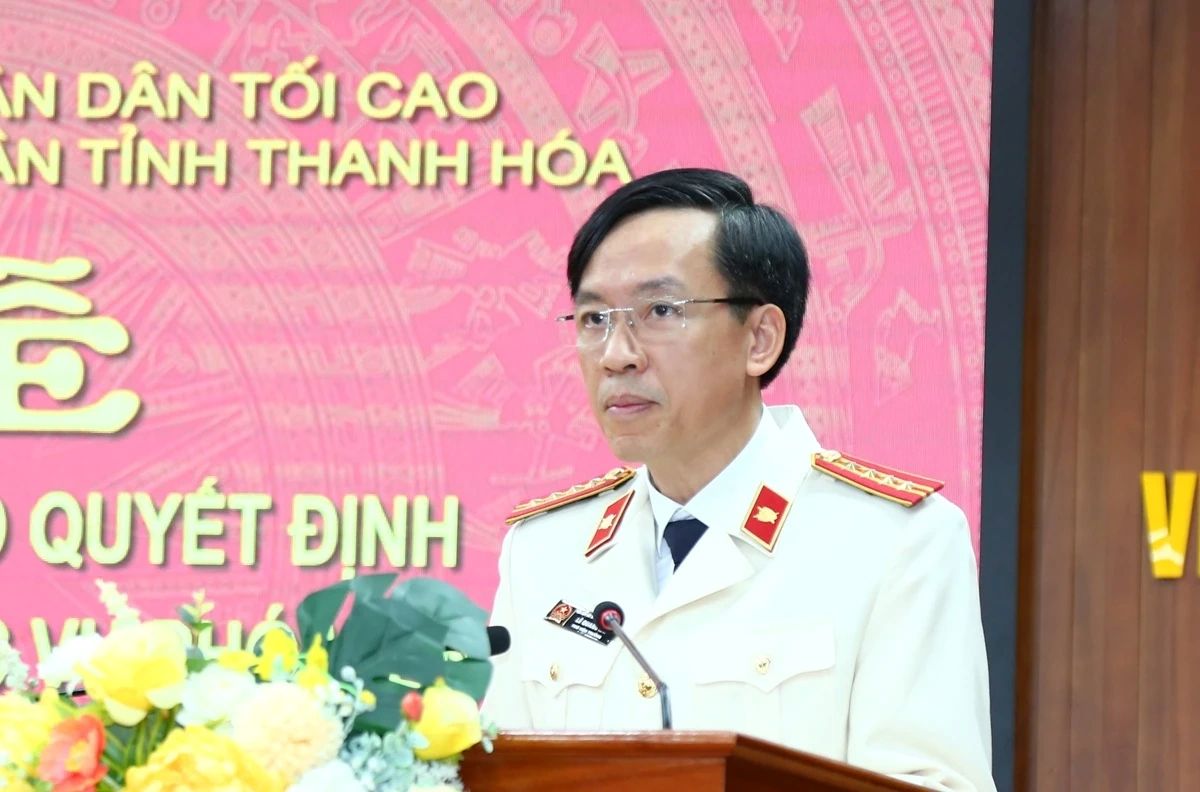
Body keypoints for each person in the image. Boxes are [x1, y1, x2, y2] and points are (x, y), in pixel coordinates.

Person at [483, 168, 995, 791]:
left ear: (760, 339)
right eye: (594, 319)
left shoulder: (896, 542)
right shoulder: (543, 550)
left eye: (660, 311)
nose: (617, 354)